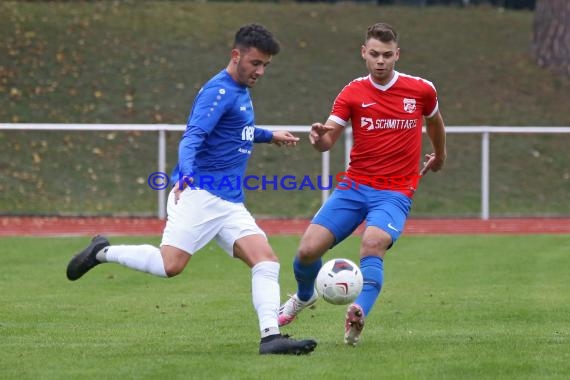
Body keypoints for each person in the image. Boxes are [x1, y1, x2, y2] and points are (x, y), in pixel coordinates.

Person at [66, 23, 317, 356]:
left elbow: (235, 131)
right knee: (170, 266)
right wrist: (184, 174)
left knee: (266, 261)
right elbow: (193, 136)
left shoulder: (240, 91)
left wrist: (269, 136)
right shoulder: (219, 90)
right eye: (255, 63)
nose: (260, 71)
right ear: (236, 55)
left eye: (265, 65)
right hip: (199, 193)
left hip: (228, 201)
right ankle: (102, 251)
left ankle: (271, 338)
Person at [278, 22, 447, 346]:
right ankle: (303, 297)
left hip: (395, 191)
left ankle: (358, 311)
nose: (380, 61)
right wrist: (318, 138)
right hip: (354, 188)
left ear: (397, 54)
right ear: (363, 54)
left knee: (372, 243)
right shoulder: (353, 92)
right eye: (374, 54)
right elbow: (327, 140)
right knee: (306, 251)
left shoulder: (421, 89)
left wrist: (439, 156)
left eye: (387, 55)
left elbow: (435, 122)